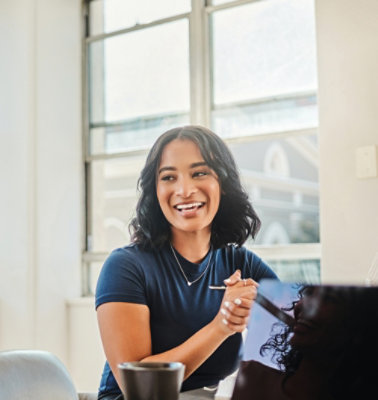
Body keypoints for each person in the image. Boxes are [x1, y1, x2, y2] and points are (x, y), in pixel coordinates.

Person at [95, 125, 278, 400]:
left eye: (200, 173)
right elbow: (138, 387)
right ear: (155, 191)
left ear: (223, 184)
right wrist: (222, 326)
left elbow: (303, 336)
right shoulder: (125, 267)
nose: (184, 190)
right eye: (169, 177)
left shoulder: (243, 264)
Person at [231, 284, 378, 400]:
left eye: (329, 298)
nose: (301, 305)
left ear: (360, 323)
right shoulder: (250, 377)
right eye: (308, 293)